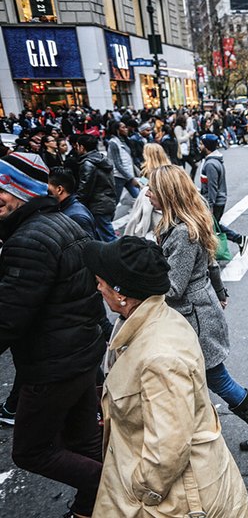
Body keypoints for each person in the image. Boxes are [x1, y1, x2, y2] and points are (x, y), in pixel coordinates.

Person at [82, 237, 248, 517]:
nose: (98, 286)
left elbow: (168, 448)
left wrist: (142, 490)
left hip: (176, 500)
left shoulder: (160, 357)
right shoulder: (148, 321)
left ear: (121, 293)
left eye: (101, 281)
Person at [147, 164, 248, 450]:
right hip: (195, 311)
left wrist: (139, 278)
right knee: (195, 375)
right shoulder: (181, 223)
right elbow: (209, 262)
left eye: (152, 189)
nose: (147, 193)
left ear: (166, 194)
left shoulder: (183, 232)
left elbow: (173, 287)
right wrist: (220, 291)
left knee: (216, 377)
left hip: (194, 318)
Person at [0, 152, 105, 518]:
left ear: (17, 194)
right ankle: (92, 509)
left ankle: (109, 487)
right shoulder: (65, 223)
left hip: (51, 367)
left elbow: (8, 318)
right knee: (84, 441)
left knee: (31, 451)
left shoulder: (28, 240)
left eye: (0, 193)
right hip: (81, 357)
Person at [199, 134, 248, 255]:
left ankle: (237, 239)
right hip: (216, 201)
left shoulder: (210, 164)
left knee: (209, 228)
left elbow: (212, 187)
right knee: (212, 227)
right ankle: (236, 240)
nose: (199, 146)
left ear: (206, 146)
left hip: (215, 202)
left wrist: (210, 206)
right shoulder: (212, 161)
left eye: (201, 144)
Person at [76, 134, 118, 242]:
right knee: (102, 235)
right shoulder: (102, 159)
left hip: (98, 205)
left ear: (82, 147)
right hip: (108, 201)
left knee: (109, 237)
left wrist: (77, 204)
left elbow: (84, 188)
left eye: (77, 146)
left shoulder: (88, 164)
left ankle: (121, 257)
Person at [123, 142, 169, 240]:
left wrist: (140, 182)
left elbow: (144, 184)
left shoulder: (147, 171)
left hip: (150, 205)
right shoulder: (168, 169)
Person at [48, 166, 96, 239]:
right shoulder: (63, 208)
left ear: (59, 189)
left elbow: (87, 248)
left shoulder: (77, 217)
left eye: (47, 185)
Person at [107, 120, 140, 201]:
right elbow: (117, 164)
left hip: (128, 175)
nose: (126, 129)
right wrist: (131, 178)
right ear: (117, 130)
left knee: (139, 197)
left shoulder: (125, 141)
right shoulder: (113, 143)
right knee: (115, 200)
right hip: (118, 177)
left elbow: (129, 159)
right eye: (123, 127)